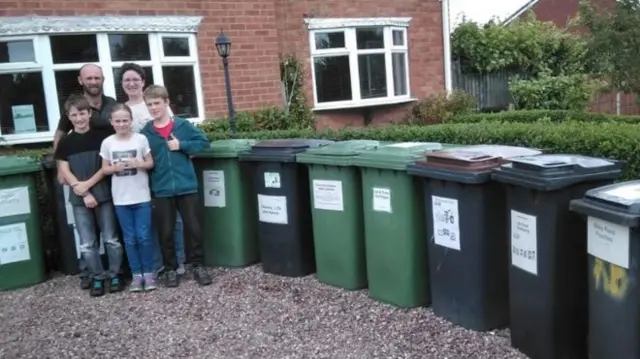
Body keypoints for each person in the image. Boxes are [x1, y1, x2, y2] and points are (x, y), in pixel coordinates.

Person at [53, 64, 117, 290]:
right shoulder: (73, 106)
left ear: (102, 79)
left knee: (111, 234)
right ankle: (91, 273)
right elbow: (60, 137)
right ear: (81, 80)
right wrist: (62, 171)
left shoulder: (112, 104)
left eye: (96, 77)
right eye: (88, 78)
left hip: (105, 182)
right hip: (79, 179)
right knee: (87, 238)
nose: (93, 81)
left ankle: (116, 272)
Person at [140, 85, 211, 288]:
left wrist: (182, 146)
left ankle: (198, 265)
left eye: (157, 103)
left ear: (166, 102)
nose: (154, 108)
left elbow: (204, 143)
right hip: (161, 189)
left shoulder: (182, 125)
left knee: (194, 228)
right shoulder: (146, 133)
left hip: (186, 186)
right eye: (150, 104)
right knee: (166, 231)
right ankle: (171, 269)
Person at [118, 63, 186, 276]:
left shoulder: (156, 103)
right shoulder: (123, 109)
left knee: (172, 219)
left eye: (135, 79)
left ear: (143, 81)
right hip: (138, 173)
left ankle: (178, 261)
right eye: (127, 80)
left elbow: (174, 132)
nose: (131, 83)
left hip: (162, 171)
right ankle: (157, 263)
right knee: (150, 221)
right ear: (122, 84)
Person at [100, 104, 157, 292]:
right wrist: (114, 168)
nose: (122, 124)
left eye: (125, 120)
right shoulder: (108, 142)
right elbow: (104, 168)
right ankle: (136, 275)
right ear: (111, 122)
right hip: (121, 199)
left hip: (141, 197)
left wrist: (138, 163)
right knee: (130, 239)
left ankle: (149, 274)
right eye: (118, 121)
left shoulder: (141, 139)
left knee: (144, 237)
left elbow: (150, 163)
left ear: (131, 120)